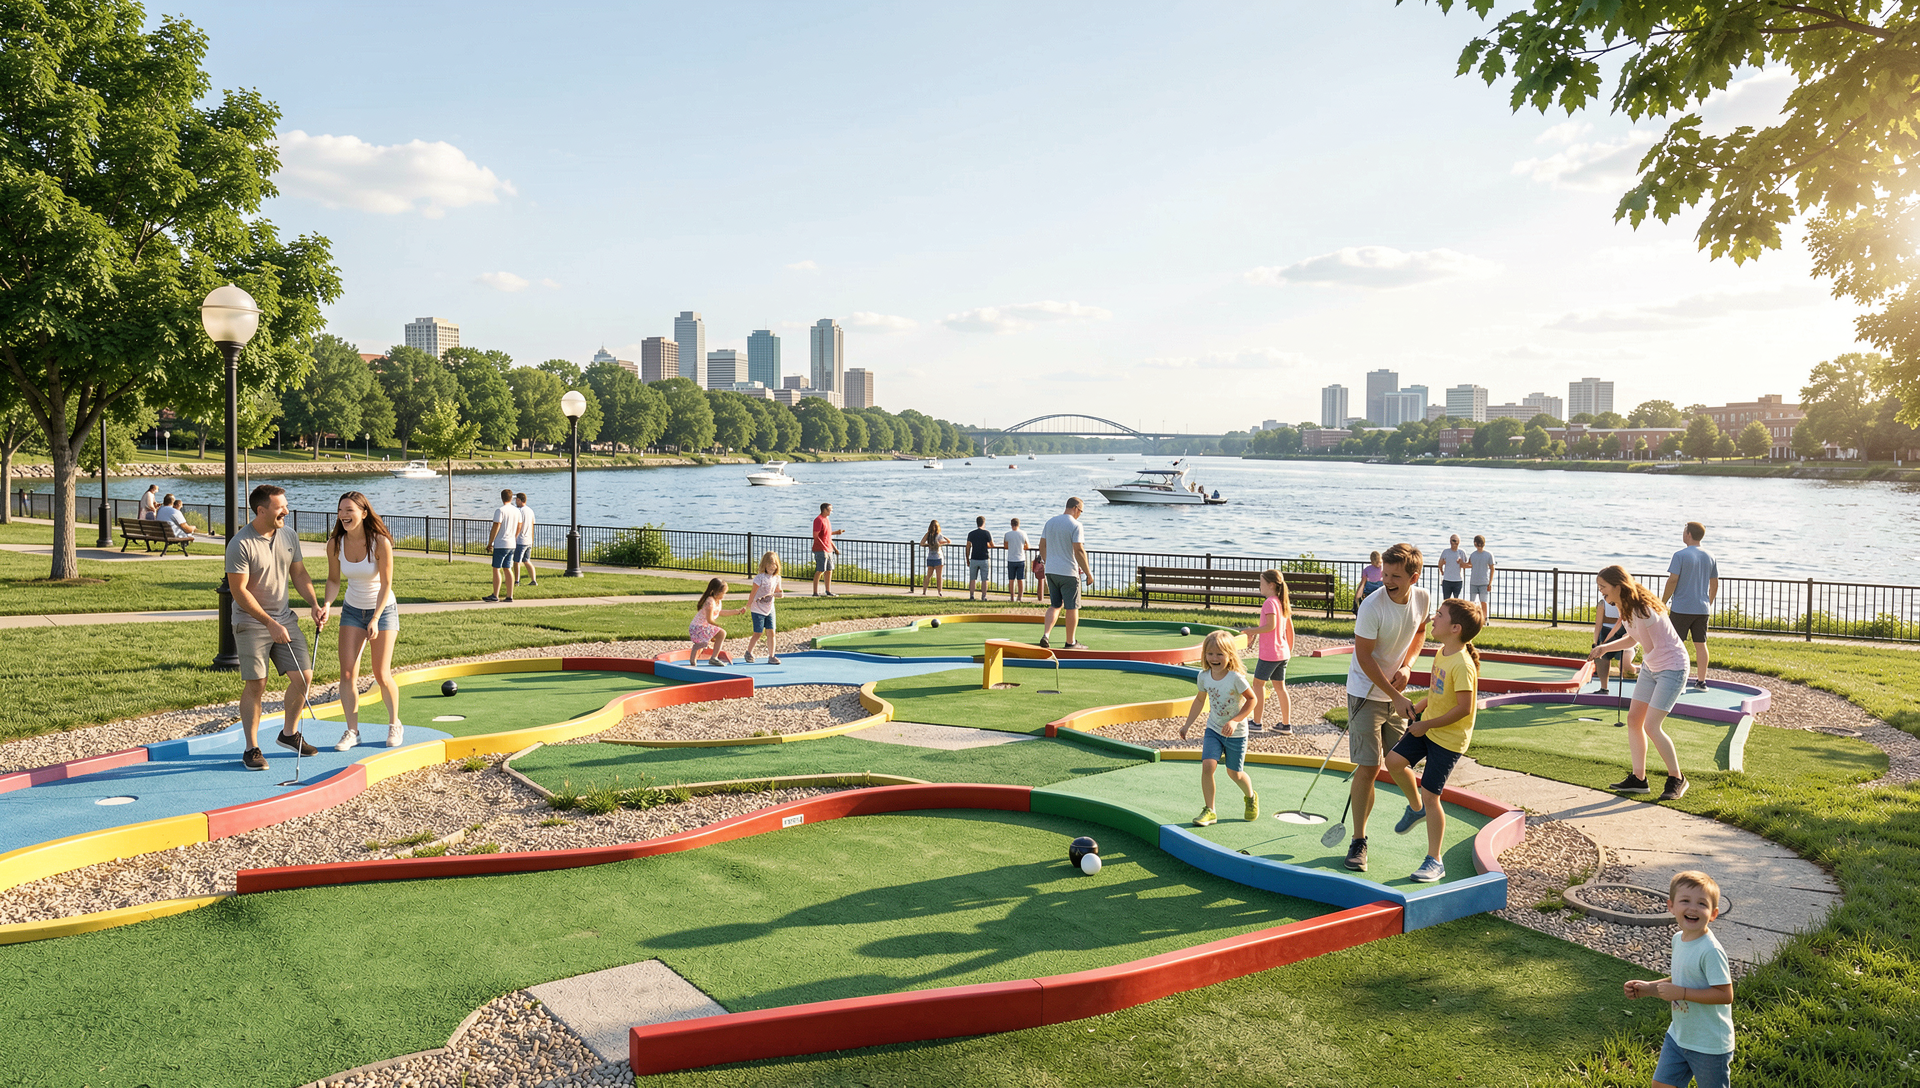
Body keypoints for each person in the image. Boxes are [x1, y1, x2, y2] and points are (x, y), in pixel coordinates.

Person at [1342, 541, 1431, 873]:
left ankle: (1417, 807)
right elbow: (1363, 658)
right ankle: (1359, 841)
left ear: (1414, 577)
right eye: (1385, 574)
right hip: (1365, 693)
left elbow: (1420, 631)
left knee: (1399, 761)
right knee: (1368, 769)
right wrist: (1394, 696)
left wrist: (1407, 665)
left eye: (1394, 575)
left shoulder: (1422, 599)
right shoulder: (1371, 606)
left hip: (1395, 691)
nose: (1386, 580)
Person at [225, 484, 325, 771]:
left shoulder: (288, 535)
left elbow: (300, 573)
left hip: (285, 619)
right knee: (257, 684)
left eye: (286, 504)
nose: (287, 510)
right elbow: (239, 591)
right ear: (262, 510)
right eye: (281, 506)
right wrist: (268, 623)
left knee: (304, 677)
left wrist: (314, 604)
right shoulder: (241, 544)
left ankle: (289, 734)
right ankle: (251, 748)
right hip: (251, 621)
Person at [1384, 598, 1484, 883]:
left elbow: (1464, 708)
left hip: (1449, 739)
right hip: (1429, 726)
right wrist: (1421, 706)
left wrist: (1425, 724)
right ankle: (1416, 809)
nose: (1432, 618)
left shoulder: (1463, 665)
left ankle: (1435, 860)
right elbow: (1439, 692)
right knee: (1393, 761)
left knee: (1432, 796)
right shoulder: (1442, 652)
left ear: (1455, 628)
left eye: (1438, 615)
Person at [1589, 565, 1692, 800]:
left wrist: (1631, 664)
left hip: (1672, 668)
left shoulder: (1642, 610)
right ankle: (1639, 779)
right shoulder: (1627, 607)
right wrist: (1604, 648)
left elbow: (1648, 645)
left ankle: (1677, 778)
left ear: (1618, 586)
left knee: (1652, 725)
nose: (1601, 591)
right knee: (1634, 720)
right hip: (1652, 666)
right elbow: (1633, 638)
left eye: (1603, 587)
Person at [1625, 871, 1735, 1088]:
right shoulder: (1679, 940)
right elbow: (1681, 980)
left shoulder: (1710, 950)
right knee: (1661, 1085)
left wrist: (1682, 994)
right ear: (1671, 906)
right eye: (1685, 901)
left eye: (1701, 904)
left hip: (1709, 1044)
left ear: (1713, 914)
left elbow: (1725, 994)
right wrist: (1649, 988)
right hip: (1679, 1036)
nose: (1693, 908)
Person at [323, 491, 403, 749]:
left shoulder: (380, 542)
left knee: (381, 673)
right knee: (347, 673)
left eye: (349, 510)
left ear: (364, 513)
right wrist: (326, 604)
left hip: (383, 609)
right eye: (340, 510)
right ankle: (352, 731)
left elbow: (386, 583)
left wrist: (376, 618)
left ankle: (394, 724)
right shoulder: (335, 543)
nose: (344, 515)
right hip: (352, 610)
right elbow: (334, 580)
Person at [1177, 631, 1258, 826]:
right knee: (1208, 766)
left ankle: (1250, 796)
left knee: (1234, 773)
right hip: (1213, 729)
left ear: (1230, 654)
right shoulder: (1204, 677)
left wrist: (1235, 721)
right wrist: (1187, 724)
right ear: (1205, 654)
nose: (1214, 658)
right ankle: (1210, 810)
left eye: (1220, 654)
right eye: (1210, 653)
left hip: (1236, 733)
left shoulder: (1235, 678)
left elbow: (1252, 699)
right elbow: (1199, 700)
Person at [1662, 521, 1719, 692]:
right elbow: (1714, 584)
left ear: (1688, 534)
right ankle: (1701, 681)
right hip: (1701, 608)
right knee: (1700, 644)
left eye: (1684, 530)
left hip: (1681, 608)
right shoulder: (1710, 556)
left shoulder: (1680, 555)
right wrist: (1708, 603)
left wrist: (1662, 602)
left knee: (1675, 644)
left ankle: (1676, 681)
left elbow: (1673, 580)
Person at [1242, 569, 1296, 735]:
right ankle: (1286, 725)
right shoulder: (1281, 602)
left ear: (1271, 585)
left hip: (1270, 654)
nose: (1259, 587)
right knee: (1280, 688)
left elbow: (1270, 626)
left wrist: (1251, 631)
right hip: (1282, 653)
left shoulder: (1269, 603)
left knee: (1258, 685)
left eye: (1261, 583)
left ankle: (1257, 723)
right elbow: (1289, 629)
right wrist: (1289, 649)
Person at [1036, 497, 1094, 649]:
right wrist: (1088, 573)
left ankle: (1046, 635)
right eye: (1080, 511)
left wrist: (1047, 561)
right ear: (1075, 508)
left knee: (1055, 605)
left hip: (1051, 570)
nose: (1080, 514)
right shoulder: (1076, 525)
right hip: (1068, 571)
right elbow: (1079, 550)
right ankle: (1070, 642)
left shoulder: (1050, 522)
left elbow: (1042, 544)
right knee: (1072, 607)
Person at [688, 577, 745, 666]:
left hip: (702, 626)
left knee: (708, 641)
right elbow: (709, 619)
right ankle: (713, 658)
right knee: (721, 633)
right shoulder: (710, 602)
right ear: (716, 591)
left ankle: (695, 659)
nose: (724, 595)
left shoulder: (717, 601)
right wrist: (718, 626)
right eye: (723, 593)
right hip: (697, 627)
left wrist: (736, 611)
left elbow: (720, 612)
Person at [1592, 586, 1638, 696]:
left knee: (1625, 664)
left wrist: (1605, 644)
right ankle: (1604, 688)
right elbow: (1598, 625)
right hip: (1607, 632)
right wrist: (1597, 643)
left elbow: (1620, 623)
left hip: (1625, 633)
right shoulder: (1602, 604)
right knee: (1602, 658)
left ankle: (1638, 671)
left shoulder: (1627, 603)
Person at [744, 551, 783, 664]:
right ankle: (749, 652)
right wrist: (748, 605)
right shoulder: (759, 578)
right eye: (769, 565)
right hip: (757, 608)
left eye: (774, 565)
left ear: (777, 566)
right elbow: (753, 593)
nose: (772, 568)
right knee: (758, 632)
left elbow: (779, 592)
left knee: (771, 631)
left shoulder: (777, 578)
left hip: (770, 608)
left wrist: (775, 594)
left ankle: (771, 656)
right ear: (764, 565)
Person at [483, 488, 520, 603]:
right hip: (511, 544)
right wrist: (514, 537)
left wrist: (490, 542)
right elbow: (519, 525)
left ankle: (495, 594)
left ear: (502, 497)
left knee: (496, 569)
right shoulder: (516, 511)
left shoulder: (500, 510)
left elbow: (496, 526)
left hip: (501, 543)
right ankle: (510, 595)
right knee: (508, 569)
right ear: (511, 498)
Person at [811, 502, 844, 597]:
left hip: (828, 549)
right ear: (824, 510)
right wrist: (823, 548)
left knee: (829, 570)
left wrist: (834, 548)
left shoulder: (827, 520)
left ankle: (828, 591)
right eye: (830, 510)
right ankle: (815, 592)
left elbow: (827, 536)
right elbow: (816, 536)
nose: (831, 511)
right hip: (820, 549)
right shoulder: (818, 520)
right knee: (820, 570)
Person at [965, 516, 995, 601]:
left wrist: (967, 558)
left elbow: (968, 547)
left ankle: (971, 596)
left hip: (974, 558)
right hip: (984, 558)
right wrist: (987, 545)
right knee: (984, 579)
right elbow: (992, 545)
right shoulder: (986, 533)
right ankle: (984, 596)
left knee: (972, 578)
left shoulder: (971, 533)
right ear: (984, 523)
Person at [512, 492, 538, 589]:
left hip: (521, 540)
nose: (515, 502)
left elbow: (518, 525)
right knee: (527, 560)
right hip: (528, 540)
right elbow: (532, 525)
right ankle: (533, 580)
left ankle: (516, 581)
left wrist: (514, 536)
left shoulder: (520, 511)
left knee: (516, 561)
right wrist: (532, 539)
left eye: (516, 500)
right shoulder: (530, 511)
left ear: (520, 500)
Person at [919, 520, 951, 596]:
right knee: (939, 576)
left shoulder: (928, 535)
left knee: (928, 576)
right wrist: (943, 538)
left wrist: (928, 545)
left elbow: (921, 543)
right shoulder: (939, 535)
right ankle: (939, 592)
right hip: (938, 557)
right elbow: (949, 541)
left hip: (930, 558)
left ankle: (924, 591)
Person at [1468, 534, 1495, 615]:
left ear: (1475, 543)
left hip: (1483, 582)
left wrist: (1490, 583)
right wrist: (1461, 563)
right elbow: (1469, 564)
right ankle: (1475, 618)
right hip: (1474, 582)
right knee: (1473, 603)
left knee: (1483, 602)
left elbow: (1492, 568)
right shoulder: (1473, 554)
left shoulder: (1488, 554)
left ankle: (1484, 618)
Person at [1004, 517, 1029, 603]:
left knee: (1011, 579)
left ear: (1011, 525)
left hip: (1011, 559)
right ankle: (1020, 597)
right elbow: (1027, 546)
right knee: (1020, 579)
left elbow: (1005, 546)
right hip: (1021, 559)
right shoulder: (1023, 533)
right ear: (1019, 524)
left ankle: (1012, 597)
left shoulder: (1007, 534)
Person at [1438, 534, 1467, 603]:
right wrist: (1442, 571)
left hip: (1458, 580)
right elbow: (1440, 563)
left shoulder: (1461, 552)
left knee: (1456, 601)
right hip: (1447, 580)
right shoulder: (1446, 551)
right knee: (1446, 601)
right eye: (1451, 540)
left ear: (1458, 542)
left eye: (1454, 540)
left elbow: (1464, 565)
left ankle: (1455, 613)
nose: (1452, 542)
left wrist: (1461, 562)